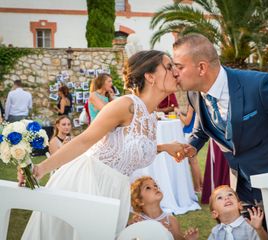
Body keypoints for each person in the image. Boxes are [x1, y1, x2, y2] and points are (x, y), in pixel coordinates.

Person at [18, 50, 186, 239]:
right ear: (150, 76)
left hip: (117, 191)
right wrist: (41, 168)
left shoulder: (151, 116)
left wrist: (164, 147)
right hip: (89, 183)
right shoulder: (125, 105)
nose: (177, 72)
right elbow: (84, 140)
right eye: (169, 67)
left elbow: (127, 149)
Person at [172, 33, 268, 206]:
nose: (175, 73)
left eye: (179, 67)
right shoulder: (193, 94)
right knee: (255, 233)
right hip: (243, 187)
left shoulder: (258, 86)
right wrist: (193, 145)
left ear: (202, 68)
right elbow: (202, 128)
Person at [130, 176, 199, 240]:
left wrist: (186, 238)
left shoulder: (171, 220)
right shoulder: (138, 220)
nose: (155, 188)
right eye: (148, 188)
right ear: (139, 201)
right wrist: (129, 226)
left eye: (155, 185)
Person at [175, 105, 202, 193]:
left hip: (189, 133)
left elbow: (187, 122)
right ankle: (200, 185)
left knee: (192, 162)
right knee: (194, 162)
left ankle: (197, 188)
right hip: (192, 132)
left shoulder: (191, 104)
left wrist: (178, 114)